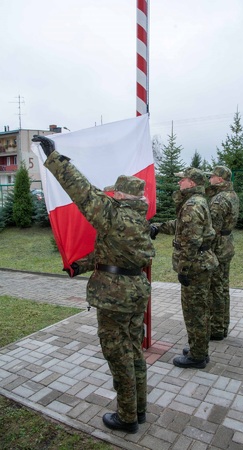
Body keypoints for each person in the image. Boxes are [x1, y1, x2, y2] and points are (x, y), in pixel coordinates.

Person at [32, 135, 155, 434]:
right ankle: (138, 409)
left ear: (123, 196)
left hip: (116, 296)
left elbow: (83, 192)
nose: (111, 195)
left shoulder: (114, 215)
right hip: (135, 290)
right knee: (133, 350)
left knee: (118, 353)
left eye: (116, 192)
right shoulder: (140, 219)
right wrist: (81, 265)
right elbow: (112, 253)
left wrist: (55, 158)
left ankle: (126, 418)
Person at [151, 167, 218, 369]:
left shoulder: (191, 205)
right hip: (202, 263)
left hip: (195, 266)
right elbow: (181, 225)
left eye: (183, 180)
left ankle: (197, 357)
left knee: (194, 312)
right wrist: (158, 227)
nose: (179, 183)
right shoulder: (196, 202)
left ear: (192, 182)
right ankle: (200, 348)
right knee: (200, 310)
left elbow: (191, 242)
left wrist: (184, 269)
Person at [206, 166, 239, 340]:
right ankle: (223, 325)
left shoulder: (219, 199)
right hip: (227, 245)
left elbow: (212, 228)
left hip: (218, 246)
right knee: (223, 288)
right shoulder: (232, 195)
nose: (209, 179)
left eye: (211, 176)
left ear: (219, 179)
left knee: (216, 289)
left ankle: (217, 328)